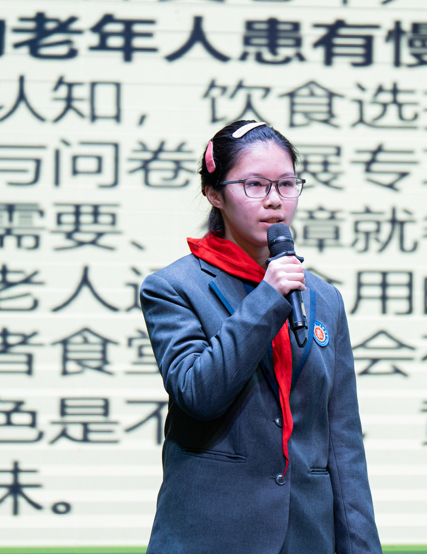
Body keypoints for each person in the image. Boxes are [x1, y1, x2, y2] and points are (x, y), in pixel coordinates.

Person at [138, 120, 382, 554]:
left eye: (286, 184)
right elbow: (199, 394)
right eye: (254, 185)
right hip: (212, 536)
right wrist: (268, 297)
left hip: (308, 537)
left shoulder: (323, 298)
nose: (274, 200)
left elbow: (343, 443)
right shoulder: (174, 288)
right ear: (214, 193)